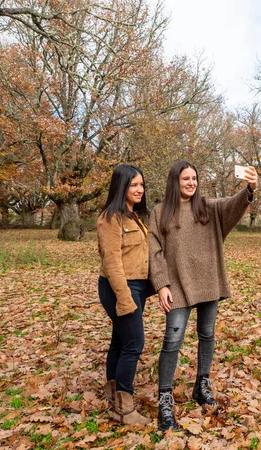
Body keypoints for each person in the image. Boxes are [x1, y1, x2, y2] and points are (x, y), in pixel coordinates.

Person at [149, 160, 258, 432]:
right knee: (172, 340)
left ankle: (202, 385)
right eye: (185, 179)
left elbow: (233, 204)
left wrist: (250, 189)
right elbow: (153, 250)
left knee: (207, 334)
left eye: (194, 178)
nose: (191, 183)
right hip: (178, 287)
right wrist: (161, 284)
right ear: (175, 182)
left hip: (208, 282)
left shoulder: (208, 207)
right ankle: (165, 397)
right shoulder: (161, 212)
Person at [96, 164, 152, 425]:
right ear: (121, 187)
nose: (139, 189)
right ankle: (124, 409)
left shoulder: (134, 216)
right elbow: (112, 262)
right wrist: (125, 297)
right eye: (133, 185)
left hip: (136, 287)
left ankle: (111, 391)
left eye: (141, 184)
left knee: (120, 341)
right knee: (134, 344)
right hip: (118, 287)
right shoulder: (110, 218)